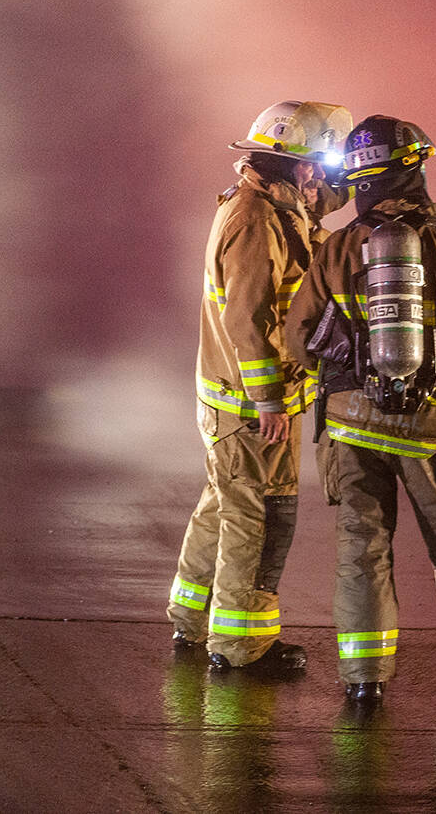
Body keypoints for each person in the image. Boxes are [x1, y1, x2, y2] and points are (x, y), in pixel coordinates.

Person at [286, 114, 436, 706]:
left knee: (361, 550)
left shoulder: (337, 249)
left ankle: (363, 680)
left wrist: (341, 380)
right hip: (431, 427)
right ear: (414, 170)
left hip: (350, 427)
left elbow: (299, 338)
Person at [167, 99, 353, 674]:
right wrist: (269, 399)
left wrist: (363, 179)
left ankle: (191, 618)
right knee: (259, 518)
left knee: (225, 503)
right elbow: (248, 318)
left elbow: (320, 206)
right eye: (320, 165)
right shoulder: (255, 221)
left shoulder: (273, 204)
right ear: (299, 165)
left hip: (240, 401)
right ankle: (241, 647)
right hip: (251, 406)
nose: (323, 179)